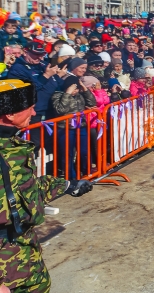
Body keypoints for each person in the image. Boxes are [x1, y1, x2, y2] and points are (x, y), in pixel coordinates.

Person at [0, 79, 92, 293]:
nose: (34, 113)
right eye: (29, 108)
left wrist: (68, 185)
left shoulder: (14, 145)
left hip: (24, 250)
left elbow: (24, 189)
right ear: (10, 115)